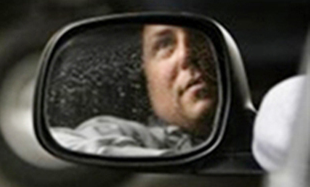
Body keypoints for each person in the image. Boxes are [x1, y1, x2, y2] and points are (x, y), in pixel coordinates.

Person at [51, 24, 219, 157]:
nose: (186, 55)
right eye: (164, 44)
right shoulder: (139, 137)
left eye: (200, 39)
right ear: (147, 78)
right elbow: (63, 141)